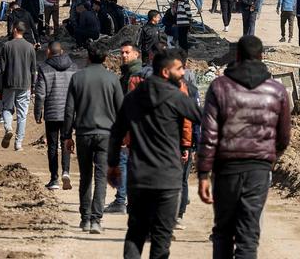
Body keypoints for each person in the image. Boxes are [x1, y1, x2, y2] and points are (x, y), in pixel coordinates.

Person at [198, 35, 290, 259]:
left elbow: (209, 133)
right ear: (262, 57)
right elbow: (284, 136)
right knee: (248, 236)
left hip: (226, 168)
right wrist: (270, 156)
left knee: (223, 232)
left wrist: (203, 172)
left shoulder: (220, 87)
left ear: (237, 56)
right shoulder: (277, 90)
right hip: (258, 168)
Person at [108, 49, 201, 258]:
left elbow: (116, 133)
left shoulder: (133, 97)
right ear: (166, 72)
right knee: (161, 237)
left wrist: (113, 164)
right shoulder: (177, 96)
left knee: (136, 233)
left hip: (139, 175)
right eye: (179, 69)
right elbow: (199, 117)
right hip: (167, 178)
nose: (183, 72)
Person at [63, 43, 124, 234]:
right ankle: (96, 219)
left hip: (83, 134)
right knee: (100, 177)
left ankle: (85, 218)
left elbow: (69, 110)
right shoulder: (112, 79)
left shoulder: (77, 78)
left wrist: (66, 136)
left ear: (88, 57)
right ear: (106, 58)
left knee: (85, 177)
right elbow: (121, 110)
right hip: (106, 135)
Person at [104, 42, 146, 215]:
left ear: (137, 54)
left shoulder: (135, 75)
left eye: (127, 53)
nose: (123, 55)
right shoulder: (128, 73)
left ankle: (122, 200)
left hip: (131, 125)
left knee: (124, 160)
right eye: (122, 52)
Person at [35, 42, 77, 190]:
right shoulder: (73, 67)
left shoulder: (44, 68)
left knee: (52, 146)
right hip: (69, 112)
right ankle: (66, 171)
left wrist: (38, 112)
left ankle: (54, 179)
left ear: (48, 52)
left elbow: (40, 94)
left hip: (52, 112)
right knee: (66, 142)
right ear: (62, 51)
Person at [0, 21, 38, 151]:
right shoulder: (30, 47)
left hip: (9, 82)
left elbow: (2, 68)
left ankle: (8, 127)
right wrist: (33, 86)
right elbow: (33, 69)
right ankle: (18, 143)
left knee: (7, 108)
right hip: (25, 83)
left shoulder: (6, 46)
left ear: (15, 29)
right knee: (22, 114)